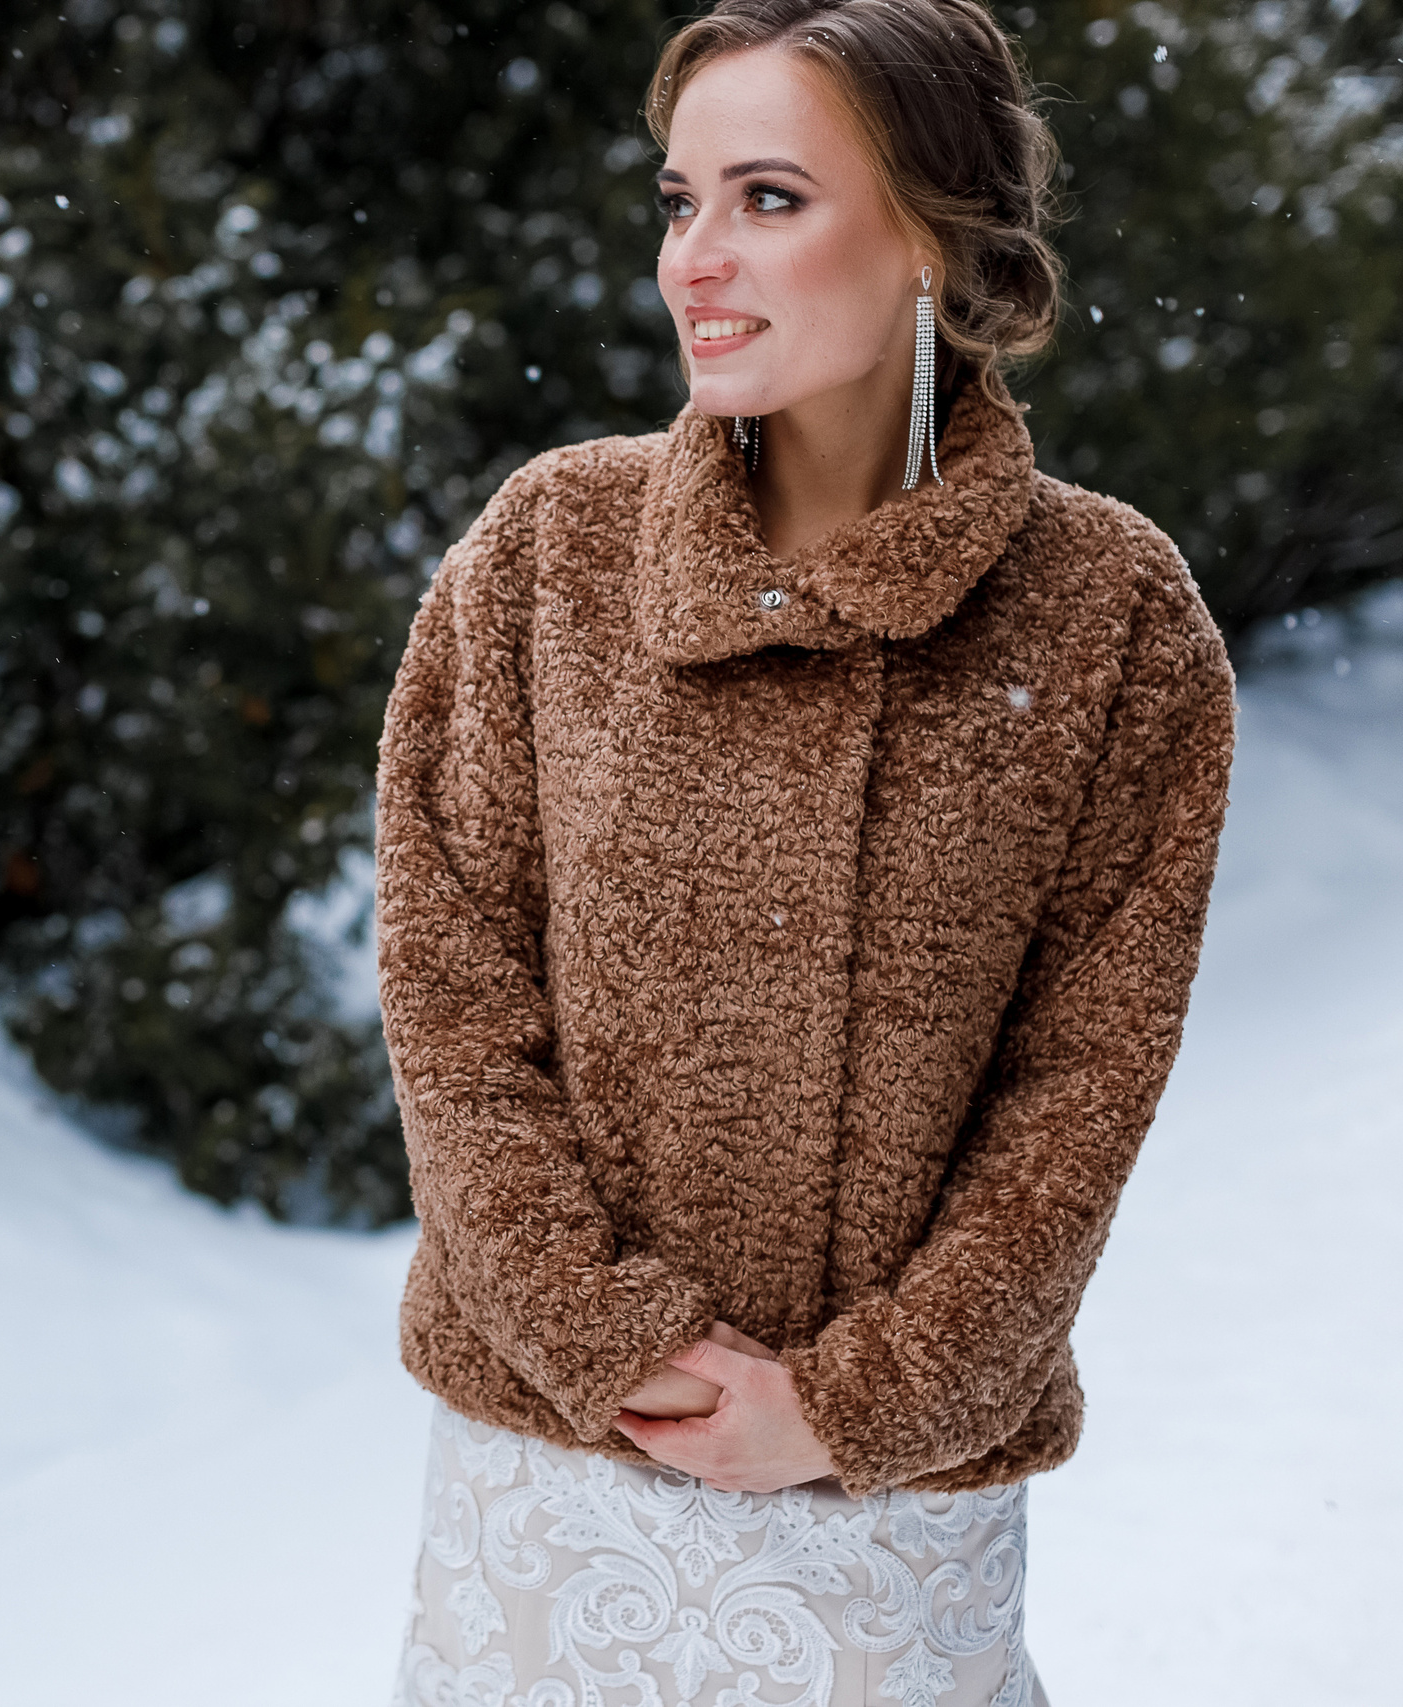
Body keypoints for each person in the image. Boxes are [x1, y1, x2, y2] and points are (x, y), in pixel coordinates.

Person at [373, 4, 1236, 1703]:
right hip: (556, 1481)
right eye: (679, 199)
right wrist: (610, 1342)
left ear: (936, 232)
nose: (698, 255)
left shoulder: (1115, 616)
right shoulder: (549, 553)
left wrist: (857, 1404)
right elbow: (450, 996)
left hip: (890, 1517)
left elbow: (1084, 1080)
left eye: (768, 196)